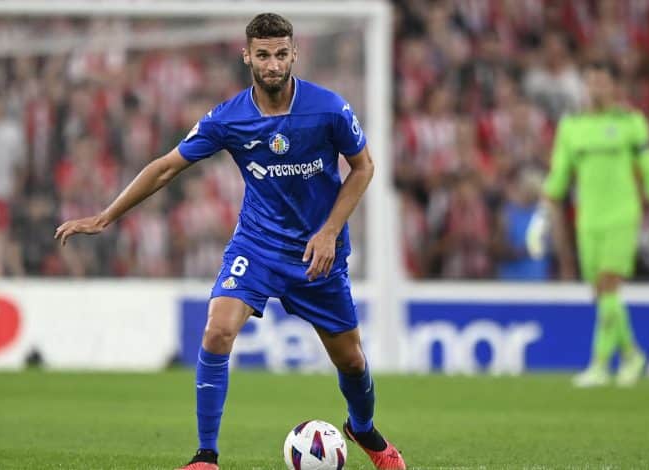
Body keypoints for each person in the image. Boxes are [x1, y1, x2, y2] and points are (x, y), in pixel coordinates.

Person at [55, 13, 406, 470]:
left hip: (317, 253)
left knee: (352, 360)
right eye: (263, 55)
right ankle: (206, 455)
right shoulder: (228, 118)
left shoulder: (329, 109)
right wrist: (106, 216)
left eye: (281, 54)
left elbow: (363, 167)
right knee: (217, 330)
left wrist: (329, 230)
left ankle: (363, 429)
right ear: (247, 57)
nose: (273, 64)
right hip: (257, 246)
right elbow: (166, 167)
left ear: (294, 54)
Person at [526, 62, 649, 387]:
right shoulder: (572, 126)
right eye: (591, 82)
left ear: (613, 87)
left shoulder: (630, 123)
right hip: (588, 220)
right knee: (602, 294)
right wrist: (541, 218)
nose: (595, 88)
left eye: (601, 82)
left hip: (622, 215)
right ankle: (632, 354)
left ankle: (599, 363)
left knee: (609, 283)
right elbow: (559, 175)